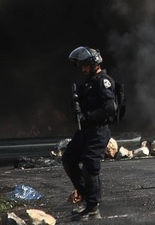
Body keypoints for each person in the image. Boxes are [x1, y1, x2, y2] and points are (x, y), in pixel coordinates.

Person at [63, 46, 117, 221]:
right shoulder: (88, 83)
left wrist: (89, 116)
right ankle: (86, 197)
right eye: (81, 66)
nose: (83, 69)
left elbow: (110, 108)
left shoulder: (103, 81)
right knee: (69, 158)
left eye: (85, 65)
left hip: (98, 130)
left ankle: (93, 207)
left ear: (94, 64)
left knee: (89, 164)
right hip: (85, 130)